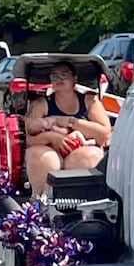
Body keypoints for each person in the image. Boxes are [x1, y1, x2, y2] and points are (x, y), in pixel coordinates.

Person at [23, 60, 112, 195]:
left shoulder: (89, 101)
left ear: (74, 79)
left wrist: (70, 122)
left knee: (89, 156)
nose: (59, 79)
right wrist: (51, 137)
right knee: (39, 155)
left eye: (64, 75)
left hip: (81, 150)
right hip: (51, 151)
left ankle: (85, 201)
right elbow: (29, 138)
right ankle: (40, 201)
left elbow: (104, 133)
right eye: (54, 76)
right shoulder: (42, 104)